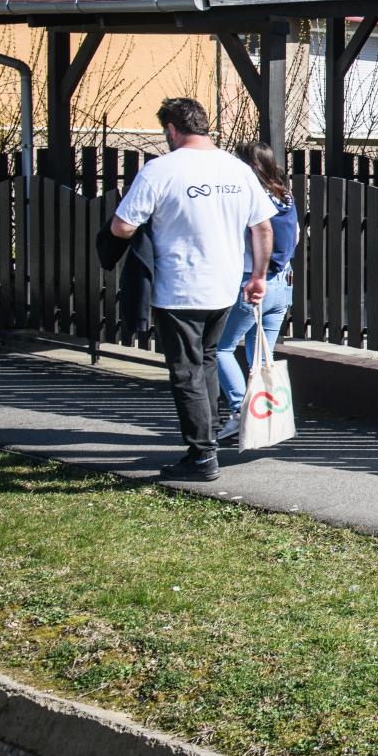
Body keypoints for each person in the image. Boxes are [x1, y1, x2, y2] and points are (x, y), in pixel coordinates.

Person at [111, 98, 276, 481]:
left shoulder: (160, 170)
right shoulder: (237, 169)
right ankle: (209, 439)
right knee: (207, 361)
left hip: (179, 288)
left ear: (172, 129)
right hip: (224, 286)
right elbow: (263, 227)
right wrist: (258, 277)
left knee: (186, 371)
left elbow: (122, 226)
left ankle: (202, 456)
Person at [215, 142, 298, 444]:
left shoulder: (250, 197)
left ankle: (242, 411)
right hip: (283, 283)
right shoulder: (285, 195)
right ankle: (265, 416)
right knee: (261, 354)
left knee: (219, 349)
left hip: (254, 283)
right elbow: (295, 236)